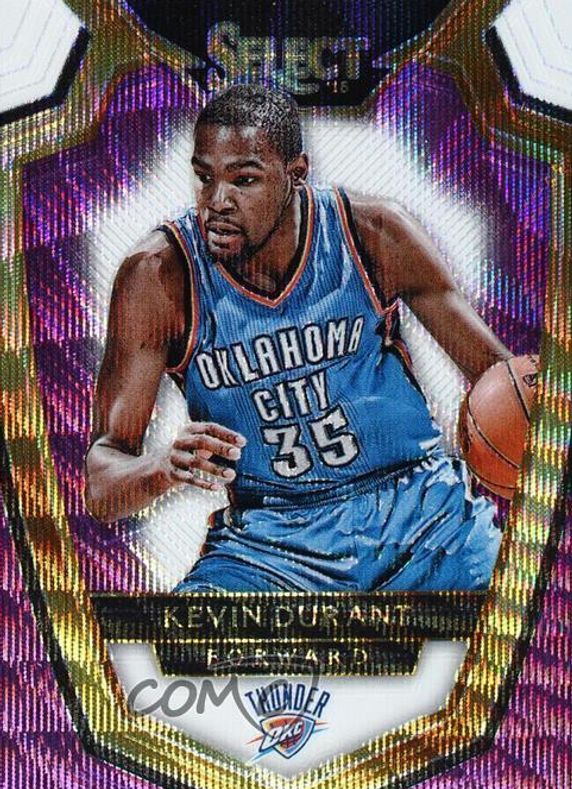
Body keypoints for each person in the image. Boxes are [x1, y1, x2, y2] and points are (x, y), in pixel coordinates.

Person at [85, 84, 510, 593]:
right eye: (205, 177)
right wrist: (161, 467)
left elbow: (502, 382)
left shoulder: (373, 233)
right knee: (178, 639)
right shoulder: (158, 276)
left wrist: (522, 432)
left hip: (422, 522)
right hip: (270, 547)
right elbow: (102, 484)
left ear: (296, 174)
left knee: (522, 627)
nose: (217, 202)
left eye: (244, 180)